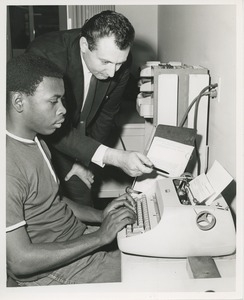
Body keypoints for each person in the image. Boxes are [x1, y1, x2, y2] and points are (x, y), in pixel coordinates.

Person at [6, 54, 137, 286]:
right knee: (156, 277)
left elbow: (54, 201)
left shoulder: (38, 141)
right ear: (19, 102)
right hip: (52, 271)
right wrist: (101, 236)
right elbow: (19, 261)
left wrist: (101, 215)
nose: (64, 110)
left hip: (76, 238)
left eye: (63, 100)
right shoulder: (7, 168)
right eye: (53, 101)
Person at [26, 10, 153, 206]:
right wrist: (115, 157)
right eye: (105, 62)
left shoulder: (120, 61)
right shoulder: (46, 55)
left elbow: (106, 115)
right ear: (84, 45)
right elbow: (47, 122)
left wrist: (84, 161)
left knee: (83, 203)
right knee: (44, 208)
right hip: (37, 141)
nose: (112, 73)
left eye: (118, 64)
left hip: (77, 140)